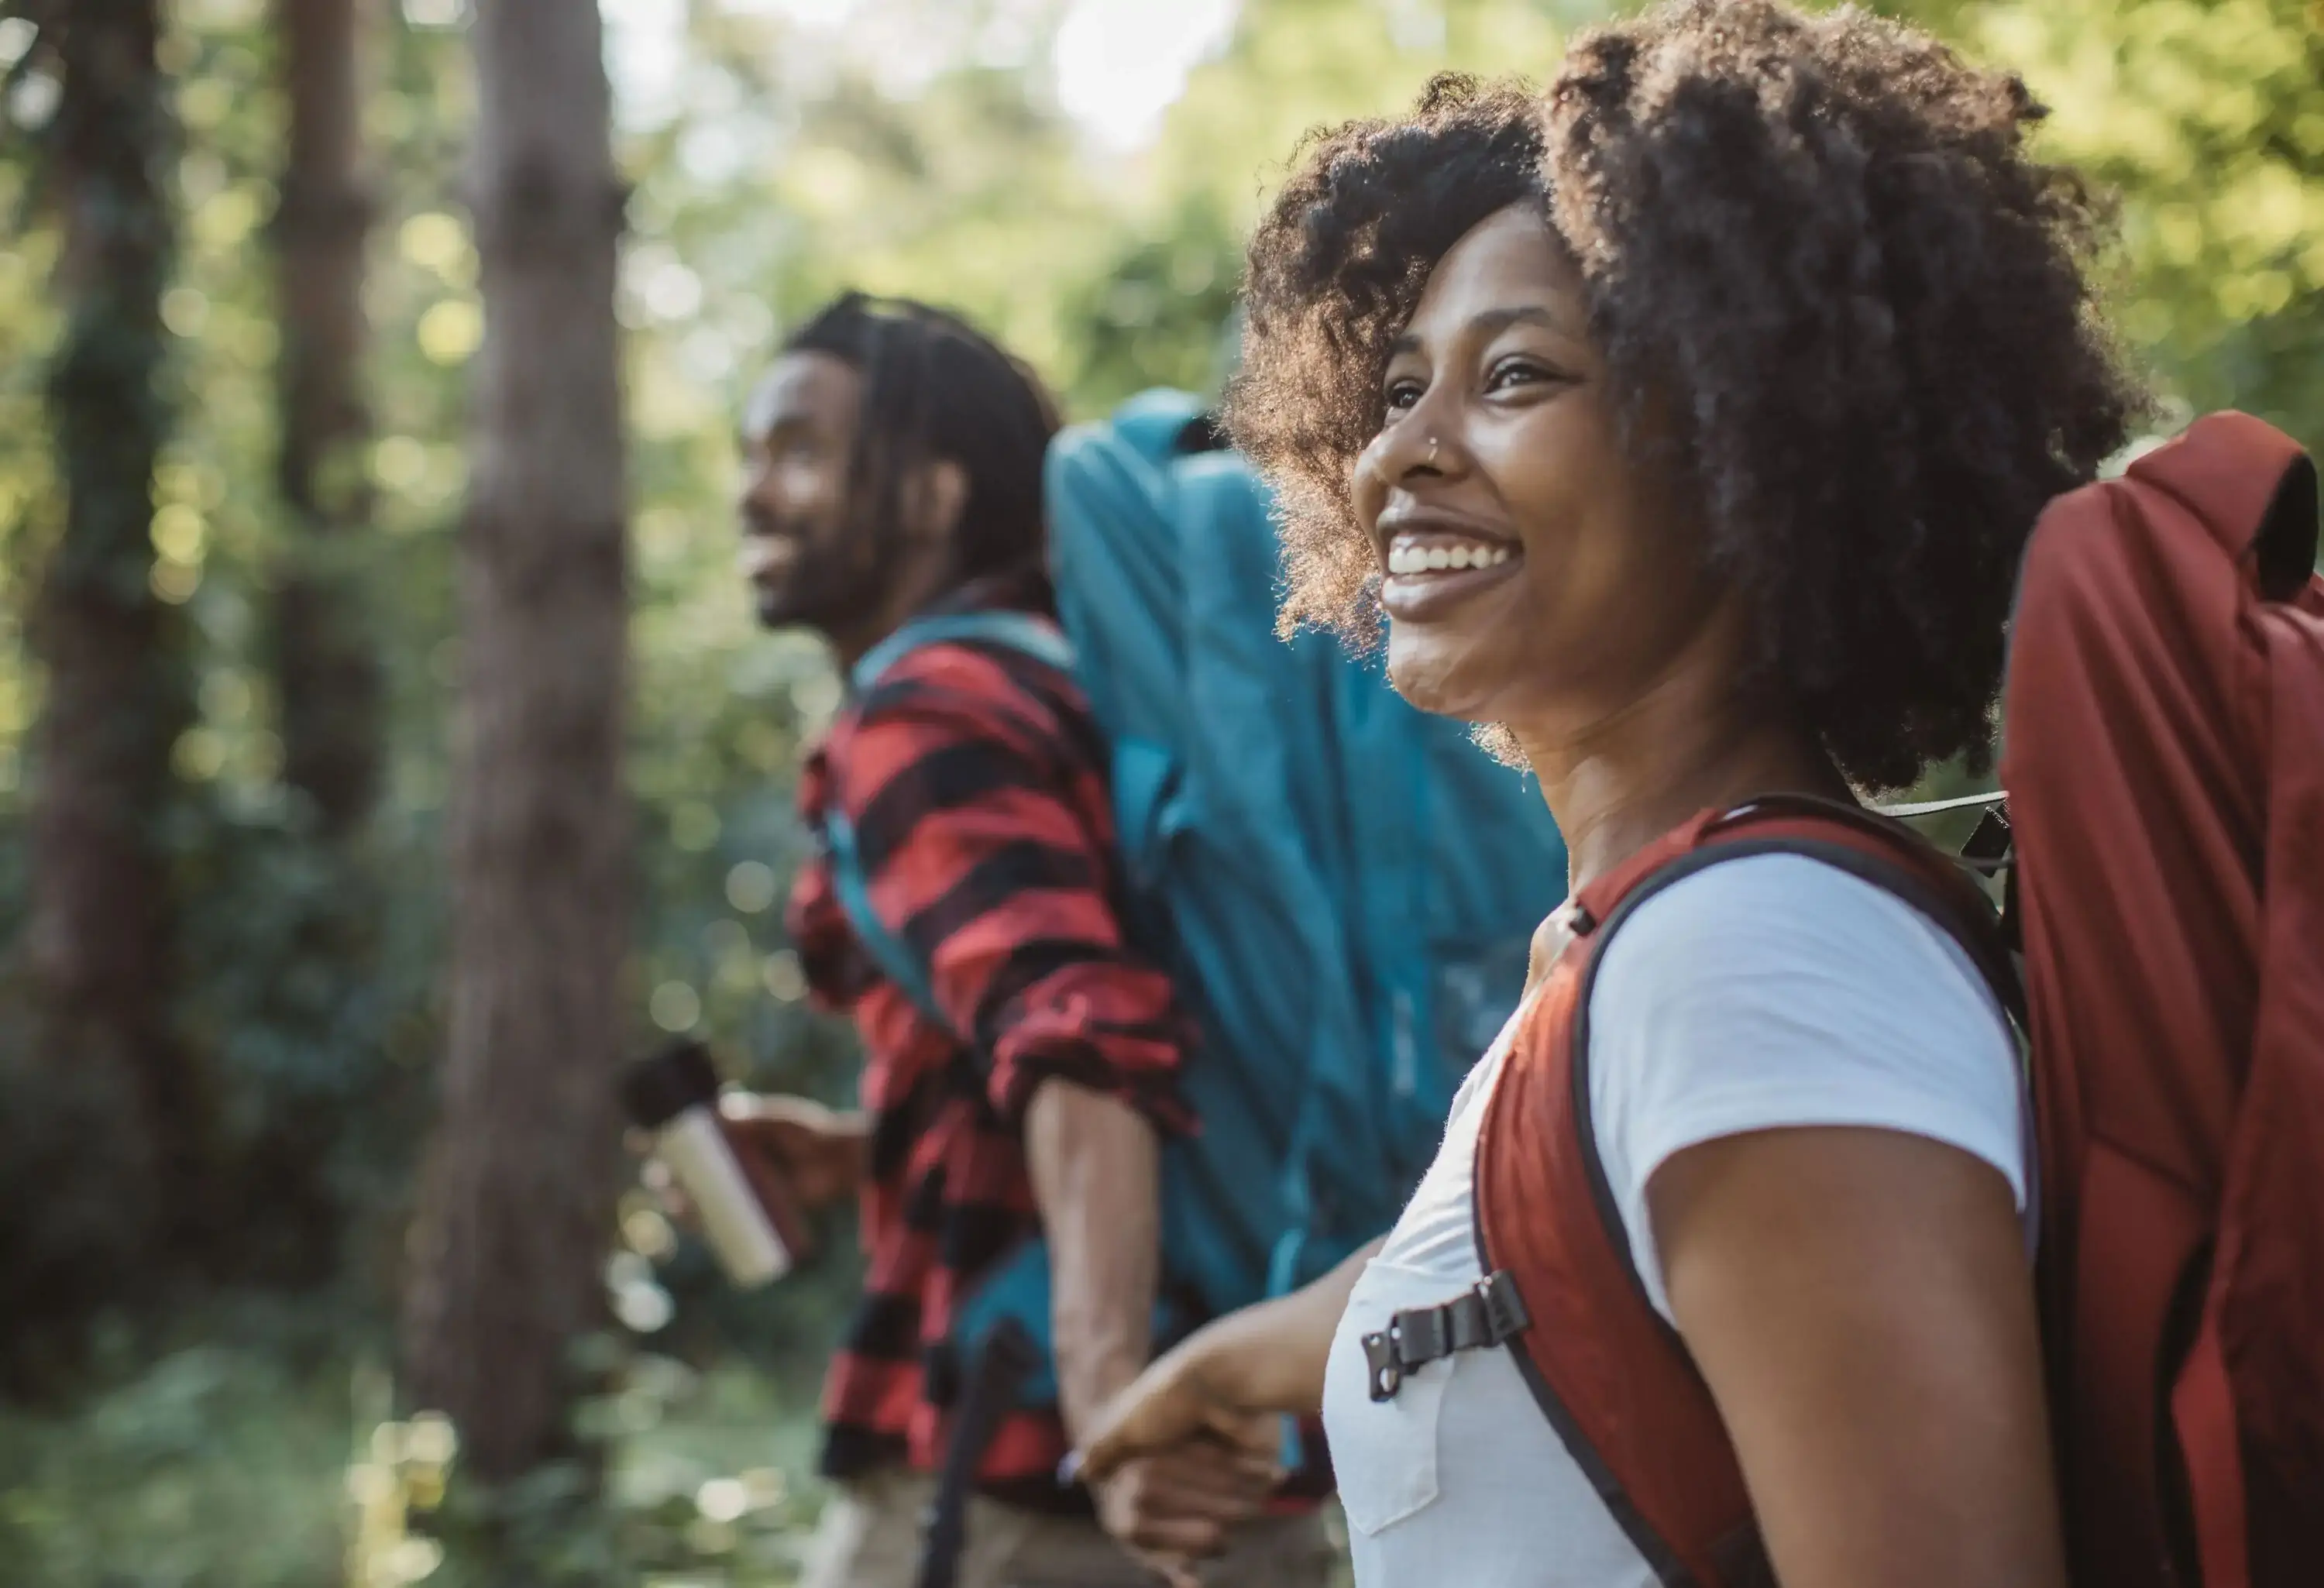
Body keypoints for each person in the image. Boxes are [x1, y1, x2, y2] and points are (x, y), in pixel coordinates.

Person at [1074, 5, 2147, 1588]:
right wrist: (1267, 1353)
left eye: (1513, 376)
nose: (1398, 458)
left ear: (1745, 442)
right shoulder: (1626, 951)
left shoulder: (1752, 965)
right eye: (1391, 390)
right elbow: (1584, 1253)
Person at [719, 293, 1328, 1588]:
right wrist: (856, 1156)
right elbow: (1123, 1009)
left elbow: (1082, 1032)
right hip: (1228, 1418)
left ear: (934, 495)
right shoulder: (1070, 677)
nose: (754, 493)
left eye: (798, 451)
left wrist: (1105, 1392)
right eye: (751, 453)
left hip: (1042, 1477)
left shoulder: (927, 711)